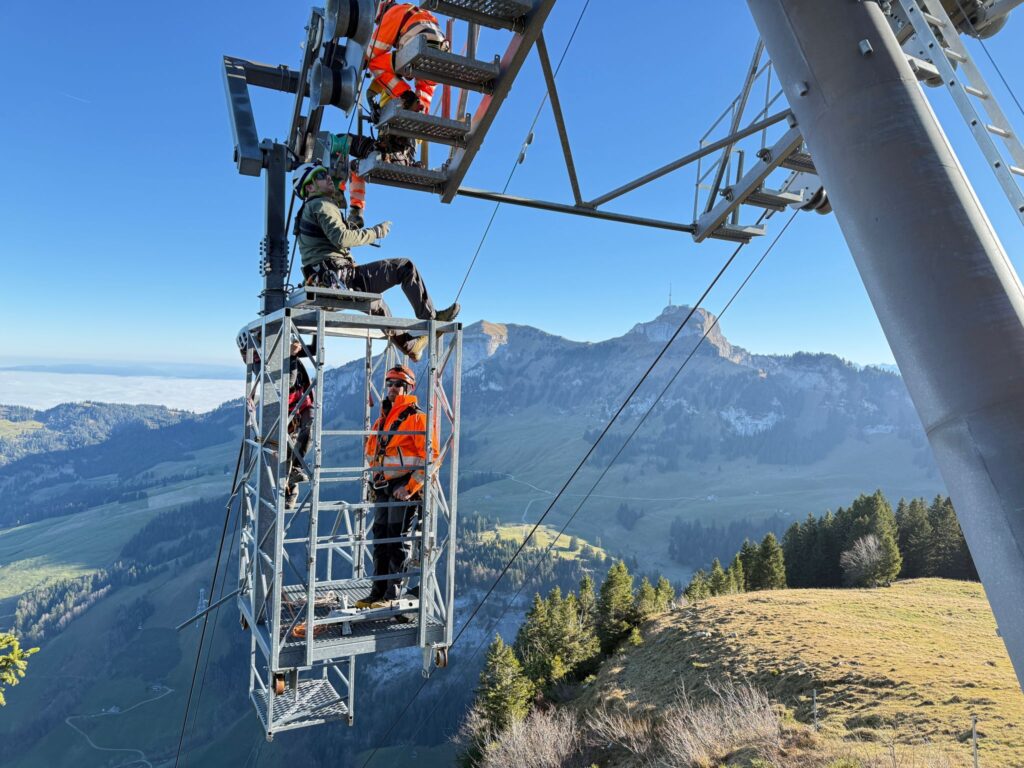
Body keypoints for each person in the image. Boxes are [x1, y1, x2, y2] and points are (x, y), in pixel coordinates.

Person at [292, 163, 459, 361]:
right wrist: (376, 233)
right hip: (342, 277)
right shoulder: (321, 204)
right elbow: (342, 238)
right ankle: (431, 319)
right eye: (320, 175)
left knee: (377, 304)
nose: (327, 177)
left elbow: (331, 240)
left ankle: (411, 346)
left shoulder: (307, 211)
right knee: (404, 267)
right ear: (309, 187)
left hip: (330, 279)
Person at [356, 365, 436, 608]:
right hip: (383, 487)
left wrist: (410, 487)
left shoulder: (417, 418)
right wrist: (374, 480)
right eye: (389, 383)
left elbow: (431, 458)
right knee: (380, 539)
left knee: (396, 540)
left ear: (408, 388)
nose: (392, 388)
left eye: (397, 384)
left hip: (403, 489)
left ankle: (392, 596)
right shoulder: (383, 419)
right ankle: (377, 592)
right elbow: (374, 454)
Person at [366, 1, 449, 114]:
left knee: (374, 63)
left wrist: (360, 61)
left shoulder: (393, 12)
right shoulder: (419, 12)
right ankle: (421, 110)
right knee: (425, 86)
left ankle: (406, 96)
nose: (379, 25)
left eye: (378, 22)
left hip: (417, 50)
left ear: (382, 12)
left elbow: (372, 52)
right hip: (441, 58)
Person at [285, 336, 316, 510]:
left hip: (302, 405)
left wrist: (314, 329)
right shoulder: (273, 357)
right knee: (284, 453)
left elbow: (313, 349)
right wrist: (291, 356)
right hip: (287, 410)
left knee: (309, 428)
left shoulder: (291, 352)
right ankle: (290, 490)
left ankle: (296, 470)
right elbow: (289, 381)